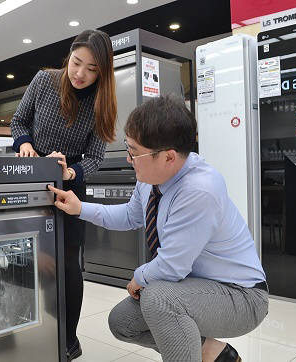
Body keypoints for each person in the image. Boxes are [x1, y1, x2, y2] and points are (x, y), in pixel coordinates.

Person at [47, 95, 268, 362]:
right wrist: (79, 207)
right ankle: (212, 352)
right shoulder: (151, 179)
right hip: (193, 286)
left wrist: (139, 276)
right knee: (122, 322)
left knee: (159, 298)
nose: (129, 159)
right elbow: (130, 215)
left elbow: (172, 266)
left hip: (240, 296)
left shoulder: (200, 190)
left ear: (169, 157)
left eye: (134, 152)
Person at [10, 29, 117, 361]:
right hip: (32, 178)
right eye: (76, 63)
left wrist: (70, 172)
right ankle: (32, 331)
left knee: (69, 264)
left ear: (103, 71)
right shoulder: (44, 81)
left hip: (69, 186)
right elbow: (18, 123)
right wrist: (25, 145)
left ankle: (67, 340)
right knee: (30, 258)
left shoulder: (102, 101)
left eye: (92, 68)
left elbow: (96, 157)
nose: (80, 74)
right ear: (68, 58)